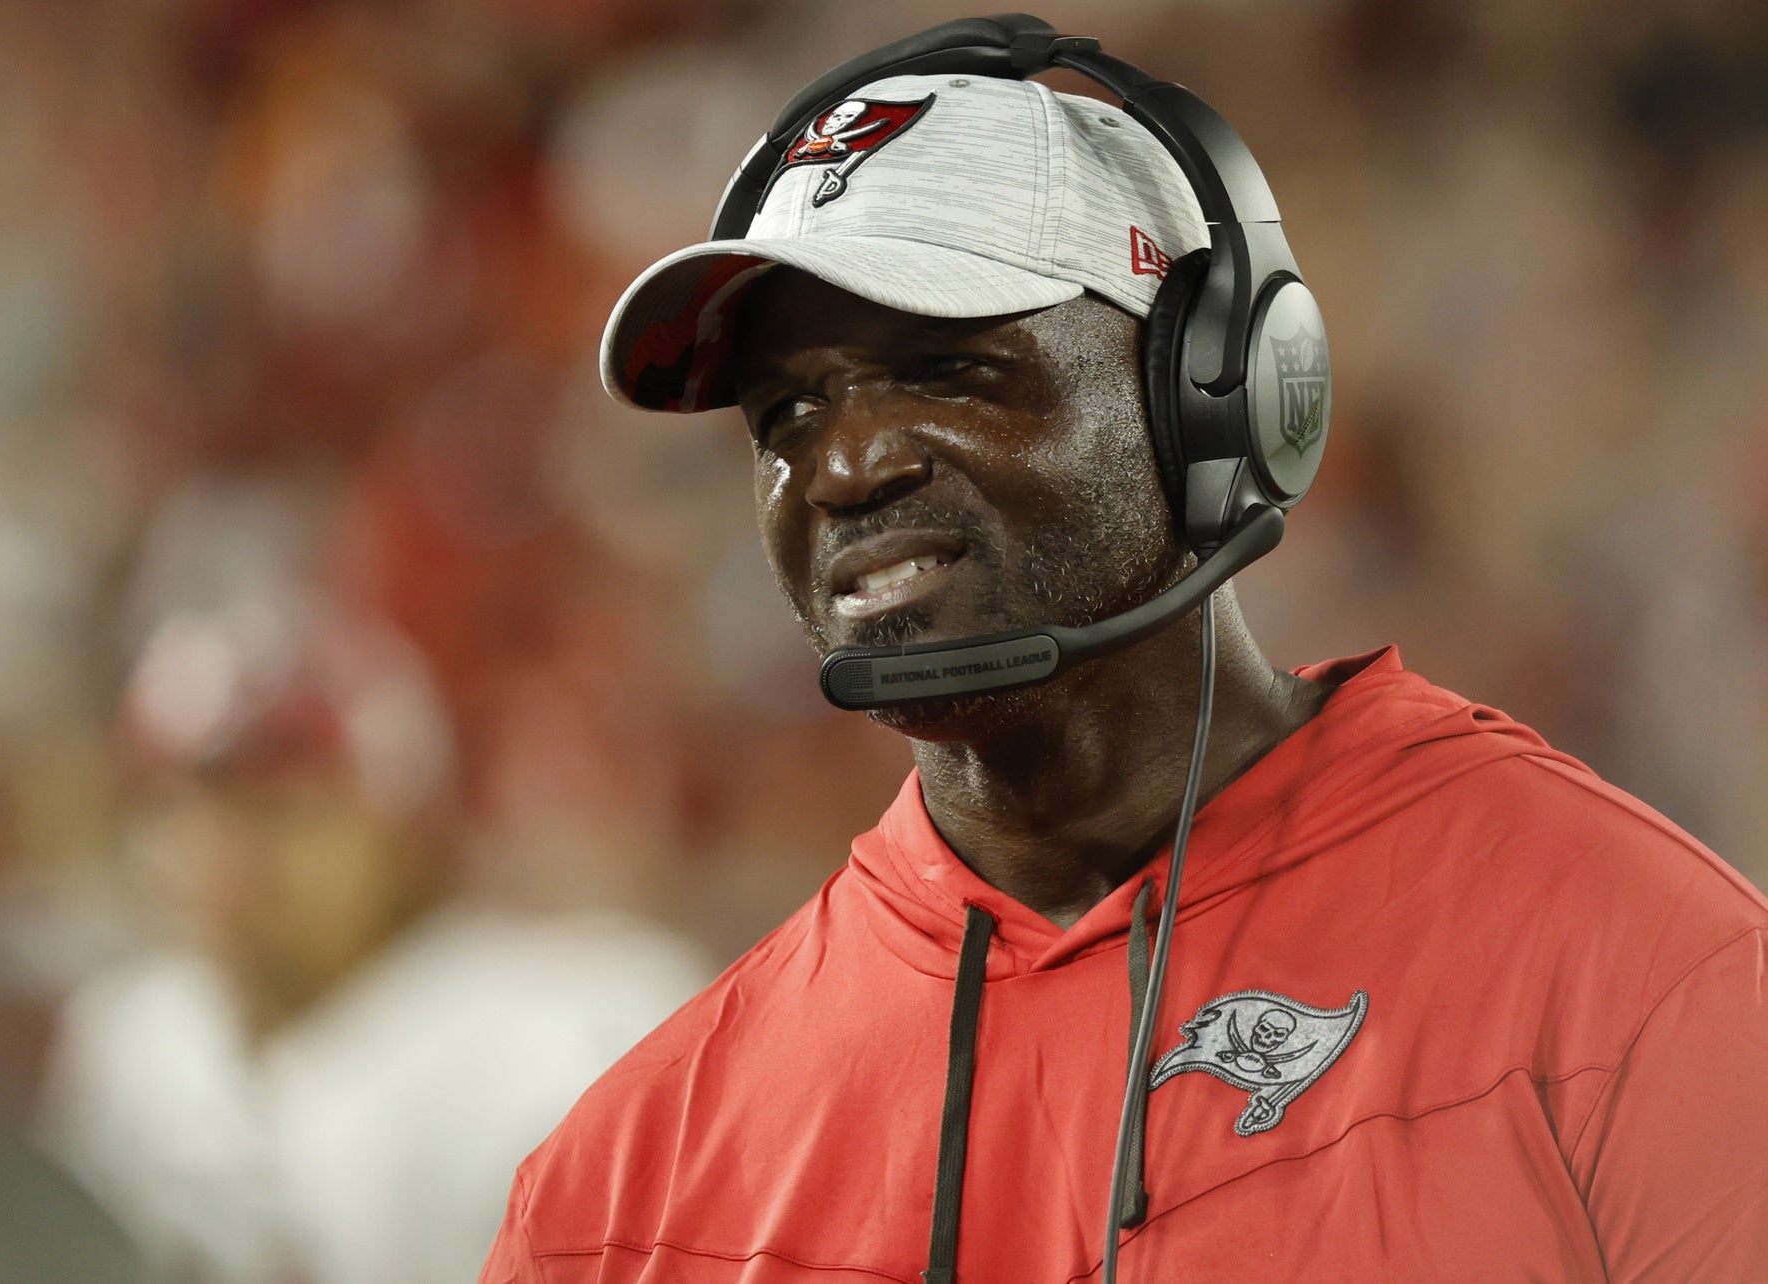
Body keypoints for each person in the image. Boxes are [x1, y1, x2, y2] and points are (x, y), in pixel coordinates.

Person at [480, 23, 1768, 1284]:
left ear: (1215, 392)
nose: (847, 464)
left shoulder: (1641, 976)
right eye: (789, 411)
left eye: (953, 367)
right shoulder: (616, 1200)